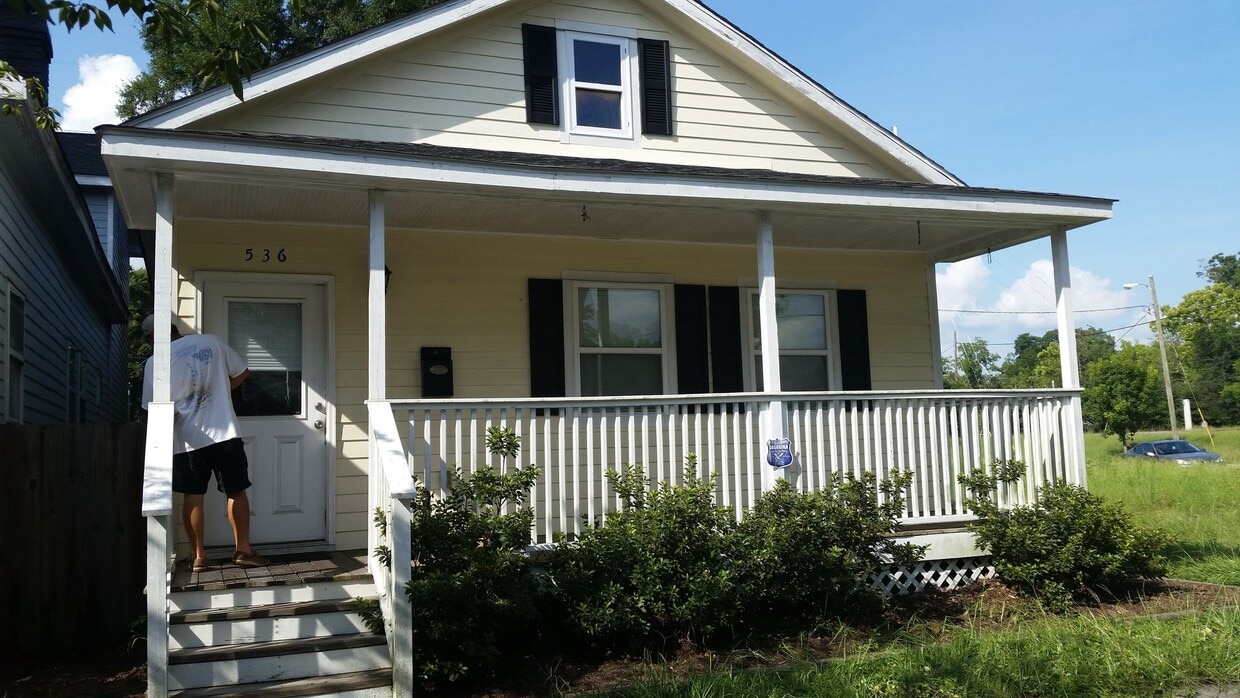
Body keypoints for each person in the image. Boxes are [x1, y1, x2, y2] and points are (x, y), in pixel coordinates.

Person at [141, 315, 268, 572]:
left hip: (187, 439)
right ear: (175, 328)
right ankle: (243, 550)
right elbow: (243, 372)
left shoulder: (155, 363)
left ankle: (199, 556)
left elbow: (150, 407)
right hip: (225, 434)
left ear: (151, 339)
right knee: (236, 490)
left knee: (193, 495)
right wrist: (220, 390)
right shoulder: (211, 342)